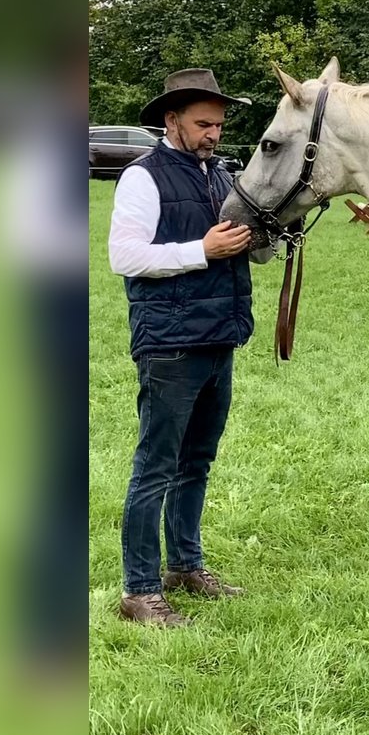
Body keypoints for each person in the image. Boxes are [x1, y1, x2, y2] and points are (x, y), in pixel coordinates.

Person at [108, 69, 255, 626]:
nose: (213, 134)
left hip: (219, 335)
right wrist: (202, 249)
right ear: (171, 120)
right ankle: (139, 590)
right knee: (156, 467)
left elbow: (241, 248)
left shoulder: (222, 177)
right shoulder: (142, 177)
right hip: (169, 343)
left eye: (218, 125)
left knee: (197, 461)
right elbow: (125, 256)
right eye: (203, 124)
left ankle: (185, 567)